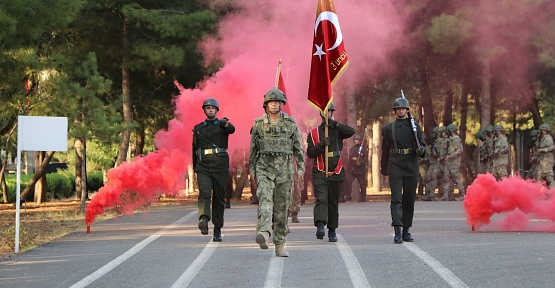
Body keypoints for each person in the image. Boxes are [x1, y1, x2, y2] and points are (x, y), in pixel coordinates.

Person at [249, 88, 304, 257]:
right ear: (266, 105)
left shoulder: (291, 124)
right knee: (265, 200)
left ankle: (280, 244)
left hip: (285, 171)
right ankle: (264, 232)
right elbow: (253, 150)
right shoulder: (258, 124)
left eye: (276, 102)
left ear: (281, 104)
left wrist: (300, 168)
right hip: (264, 168)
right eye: (270, 102)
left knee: (281, 208)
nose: (273, 104)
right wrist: (252, 170)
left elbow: (298, 149)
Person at [380, 97, 426, 244]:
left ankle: (406, 229)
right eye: (398, 108)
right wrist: (383, 168)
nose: (401, 110)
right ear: (395, 111)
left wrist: (421, 151)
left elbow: (423, 145)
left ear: (407, 110)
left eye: (403, 108)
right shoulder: (388, 129)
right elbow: (385, 149)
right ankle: (398, 229)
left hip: (411, 164)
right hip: (395, 164)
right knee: (396, 198)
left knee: (409, 199)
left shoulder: (415, 127)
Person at [307, 102, 355, 242]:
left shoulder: (337, 129)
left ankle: (332, 230)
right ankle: (320, 224)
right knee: (322, 199)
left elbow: (351, 131)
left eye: (330, 111)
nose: (327, 114)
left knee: (334, 201)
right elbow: (310, 153)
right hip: (320, 170)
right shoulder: (314, 132)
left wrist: (334, 124)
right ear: (321, 113)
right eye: (325, 112)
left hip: (336, 170)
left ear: (332, 112)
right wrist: (321, 145)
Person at [192, 98, 235, 242]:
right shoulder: (198, 128)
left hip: (220, 165)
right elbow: (195, 148)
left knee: (218, 197)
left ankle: (217, 229)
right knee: (204, 192)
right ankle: (203, 218)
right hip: (203, 166)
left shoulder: (223, 126)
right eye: (208, 108)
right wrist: (195, 167)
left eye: (213, 108)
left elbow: (232, 129)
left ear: (217, 110)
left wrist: (225, 124)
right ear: (204, 110)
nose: (210, 110)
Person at [442, 124, 466, 201]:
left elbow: (459, 150)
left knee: (456, 178)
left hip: (454, 162)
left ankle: (463, 194)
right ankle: (447, 195)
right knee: (446, 177)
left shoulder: (456, 139)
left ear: (452, 131)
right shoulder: (451, 140)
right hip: (449, 162)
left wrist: (450, 156)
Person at [347, 134, 369, 202]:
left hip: (360, 169)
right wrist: (349, 168)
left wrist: (360, 163)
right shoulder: (352, 149)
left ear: (360, 141)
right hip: (353, 169)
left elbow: (365, 158)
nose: (355, 141)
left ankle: (363, 197)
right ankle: (348, 196)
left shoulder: (364, 148)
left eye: (357, 140)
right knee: (348, 181)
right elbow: (350, 159)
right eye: (355, 140)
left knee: (362, 184)